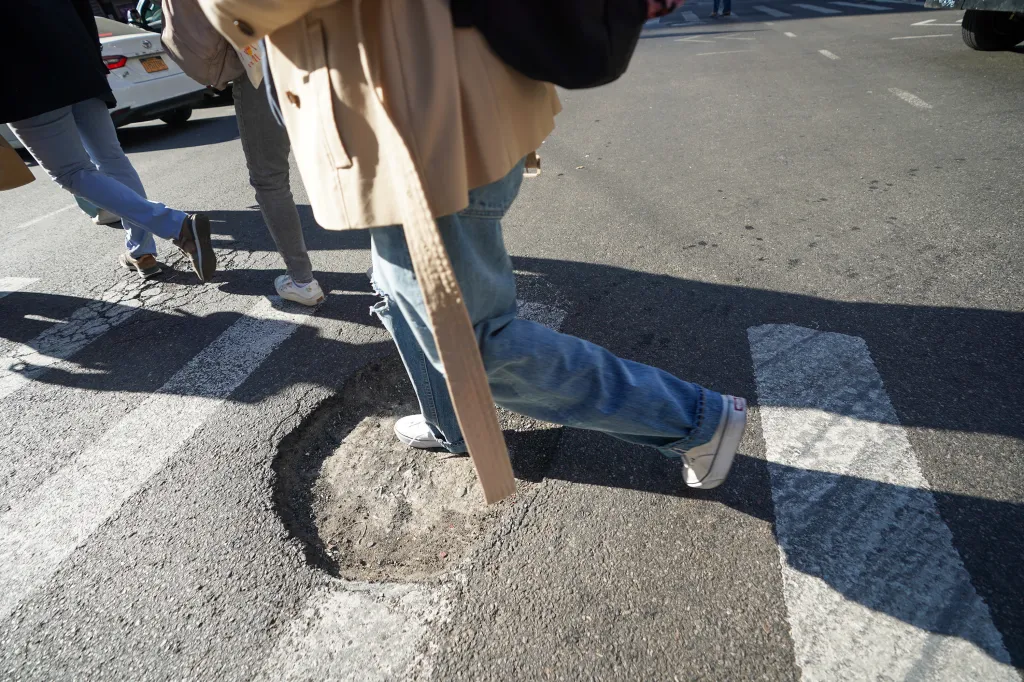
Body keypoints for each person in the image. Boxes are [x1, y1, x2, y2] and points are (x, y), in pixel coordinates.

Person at [200, 0, 747, 490]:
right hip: (431, 101)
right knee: (397, 288)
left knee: (472, 344)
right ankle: (448, 419)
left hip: (417, 122)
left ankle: (694, 420)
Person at [2, 0, 215, 283]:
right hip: (80, 64)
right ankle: (141, 251)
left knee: (71, 172)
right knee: (112, 159)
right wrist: (91, 57)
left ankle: (176, 226)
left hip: (25, 79)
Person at [159, 0, 323, 304]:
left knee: (270, 178)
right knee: (348, 154)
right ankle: (391, 260)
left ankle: (303, 281)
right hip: (324, 39)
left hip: (261, 58)